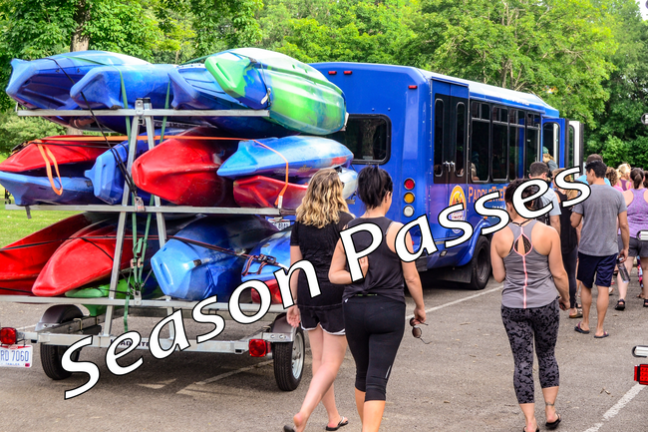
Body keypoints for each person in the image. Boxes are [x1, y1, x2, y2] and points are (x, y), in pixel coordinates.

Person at [329, 166, 426, 432]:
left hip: (354, 309)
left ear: (361, 196)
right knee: (376, 381)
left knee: (363, 374)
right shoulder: (397, 231)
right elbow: (412, 278)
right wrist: (420, 306)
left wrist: (355, 274)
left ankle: (367, 427)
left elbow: (333, 274)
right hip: (387, 309)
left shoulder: (348, 228)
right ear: (387, 195)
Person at [491, 179, 570, 432]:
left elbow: (499, 276)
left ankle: (529, 422)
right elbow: (559, 273)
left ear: (508, 205)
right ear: (534, 204)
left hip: (513, 306)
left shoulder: (498, 237)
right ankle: (550, 411)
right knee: (547, 355)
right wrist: (566, 298)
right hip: (545, 302)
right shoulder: (548, 233)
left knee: (522, 363)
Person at [284, 169, 354, 432]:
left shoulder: (300, 222)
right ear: (338, 191)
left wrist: (292, 302)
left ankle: (334, 417)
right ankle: (303, 413)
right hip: (334, 292)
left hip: (306, 291)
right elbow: (356, 263)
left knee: (320, 361)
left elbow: (295, 266)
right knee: (332, 364)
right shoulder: (346, 221)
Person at [571, 160, 629, 338]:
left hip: (587, 248)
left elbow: (574, 222)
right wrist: (625, 247)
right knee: (603, 288)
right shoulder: (617, 194)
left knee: (586, 287)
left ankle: (586, 324)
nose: (586, 177)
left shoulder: (584, 194)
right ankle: (599, 329)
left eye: (587, 174)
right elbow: (624, 225)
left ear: (591, 173)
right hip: (609, 249)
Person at [615, 168, 648, 309]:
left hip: (628, 234)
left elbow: (618, 219)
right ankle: (647, 298)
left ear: (630, 180)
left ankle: (622, 298)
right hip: (646, 234)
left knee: (625, 267)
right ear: (644, 179)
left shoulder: (624, 195)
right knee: (646, 268)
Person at [553, 168, 581, 319]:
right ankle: (573, 308)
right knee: (571, 274)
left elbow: (554, 220)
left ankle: (552, 307)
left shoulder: (554, 196)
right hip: (571, 239)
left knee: (553, 273)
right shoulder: (574, 194)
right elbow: (578, 225)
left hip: (556, 238)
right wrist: (580, 243)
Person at [528, 162, 561, 235]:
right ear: (544, 175)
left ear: (530, 176)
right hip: (542, 235)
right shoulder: (550, 193)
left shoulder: (520, 191)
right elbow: (555, 221)